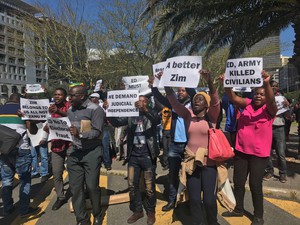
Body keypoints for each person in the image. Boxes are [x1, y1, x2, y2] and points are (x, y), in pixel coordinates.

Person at [221, 71, 278, 225]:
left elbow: (272, 101)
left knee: (255, 184)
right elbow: (232, 97)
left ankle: (258, 216)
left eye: (262, 94)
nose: (258, 96)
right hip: (241, 151)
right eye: (256, 93)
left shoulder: (269, 110)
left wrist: (266, 83)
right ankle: (239, 209)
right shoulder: (247, 104)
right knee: (238, 182)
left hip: (259, 155)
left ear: (266, 96)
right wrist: (226, 84)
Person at [165, 70, 220, 225]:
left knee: (209, 200)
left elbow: (216, 100)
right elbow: (174, 103)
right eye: (195, 99)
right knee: (195, 200)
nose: (197, 101)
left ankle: (212, 221)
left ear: (206, 104)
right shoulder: (188, 115)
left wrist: (209, 81)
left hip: (209, 163)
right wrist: (166, 83)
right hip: (191, 163)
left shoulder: (212, 115)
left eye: (201, 99)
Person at [108, 95, 160, 225]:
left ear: (147, 103)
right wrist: (108, 111)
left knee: (149, 187)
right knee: (132, 185)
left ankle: (151, 211)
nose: (141, 103)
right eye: (139, 101)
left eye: (144, 101)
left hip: (148, 156)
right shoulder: (131, 115)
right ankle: (138, 210)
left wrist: (146, 110)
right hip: (134, 157)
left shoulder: (152, 113)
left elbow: (156, 120)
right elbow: (117, 122)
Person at [149, 75, 194, 212]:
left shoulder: (194, 105)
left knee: (190, 175)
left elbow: (194, 93)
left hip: (189, 145)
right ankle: (172, 200)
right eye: (178, 90)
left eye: (182, 90)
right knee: (173, 175)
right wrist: (154, 86)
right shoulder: (173, 105)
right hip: (174, 145)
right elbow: (162, 98)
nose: (180, 92)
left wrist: (189, 78)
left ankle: (189, 202)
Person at [67, 85, 105, 225]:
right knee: (76, 188)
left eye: (72, 96)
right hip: (75, 153)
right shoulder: (70, 110)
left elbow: (97, 132)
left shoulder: (96, 110)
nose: (69, 98)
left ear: (82, 96)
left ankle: (97, 213)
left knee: (91, 186)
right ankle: (82, 219)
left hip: (91, 153)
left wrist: (81, 134)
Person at [0, 93, 40, 217]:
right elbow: (33, 131)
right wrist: (27, 118)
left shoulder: (0, 110)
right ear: (20, 100)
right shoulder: (22, 110)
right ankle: (24, 209)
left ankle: (7, 207)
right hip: (21, 150)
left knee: (6, 180)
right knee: (24, 180)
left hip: (4, 150)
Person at [45, 87, 72, 211]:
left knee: (74, 171)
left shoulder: (70, 106)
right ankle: (60, 197)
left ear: (64, 96)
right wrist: (46, 128)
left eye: (59, 94)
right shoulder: (49, 108)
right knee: (57, 172)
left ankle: (79, 193)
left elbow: (72, 117)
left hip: (70, 144)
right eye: (55, 94)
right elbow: (46, 122)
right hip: (56, 145)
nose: (57, 96)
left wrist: (59, 112)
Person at [263, 80, 288, 183]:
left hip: (279, 127)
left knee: (280, 153)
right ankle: (269, 171)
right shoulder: (264, 97)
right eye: (272, 86)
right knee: (267, 152)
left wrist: (287, 106)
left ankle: (283, 174)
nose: (274, 88)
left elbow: (287, 115)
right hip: (267, 127)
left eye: (276, 86)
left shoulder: (282, 98)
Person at [89, 93, 112, 170]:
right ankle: (97, 162)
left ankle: (107, 163)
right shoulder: (89, 107)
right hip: (94, 128)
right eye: (91, 98)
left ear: (96, 99)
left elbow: (107, 113)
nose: (91, 99)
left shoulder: (102, 106)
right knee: (95, 147)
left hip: (103, 128)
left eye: (92, 97)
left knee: (105, 146)